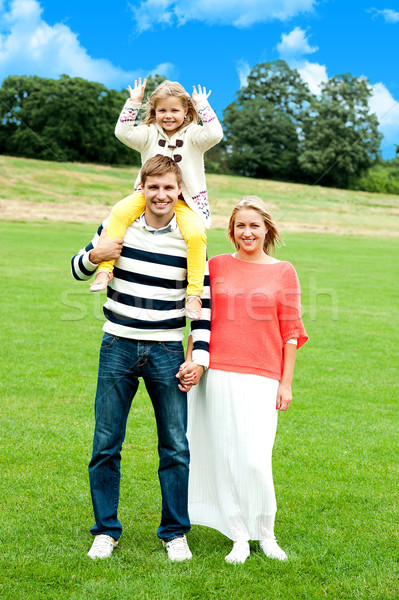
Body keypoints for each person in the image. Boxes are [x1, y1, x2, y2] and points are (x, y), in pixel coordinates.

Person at [71, 156, 211, 561]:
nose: (161, 195)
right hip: (117, 345)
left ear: (179, 190)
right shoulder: (117, 224)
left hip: (167, 350)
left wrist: (197, 358)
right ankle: (105, 531)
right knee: (106, 443)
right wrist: (96, 257)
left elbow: (204, 300)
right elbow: (76, 267)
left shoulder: (191, 235)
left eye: (169, 188)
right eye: (154, 187)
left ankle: (174, 533)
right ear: (142, 189)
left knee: (175, 447)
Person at [178, 196, 308, 564]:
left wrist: (286, 382)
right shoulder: (214, 266)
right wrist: (191, 362)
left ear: (267, 229)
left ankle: (265, 533)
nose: (247, 232)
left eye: (254, 225)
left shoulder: (284, 271)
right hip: (216, 374)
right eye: (240, 226)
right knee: (223, 455)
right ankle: (237, 534)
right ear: (231, 231)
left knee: (254, 458)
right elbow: (199, 320)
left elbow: (292, 332)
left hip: (263, 377)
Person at [90, 78, 223, 321]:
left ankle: (194, 295)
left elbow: (215, 133)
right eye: (162, 110)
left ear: (186, 111)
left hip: (186, 202)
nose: (168, 115)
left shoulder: (194, 135)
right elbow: (122, 132)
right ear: (154, 112)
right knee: (118, 213)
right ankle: (105, 270)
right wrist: (133, 102)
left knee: (195, 234)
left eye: (175, 110)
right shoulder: (149, 134)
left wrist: (203, 104)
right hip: (147, 196)